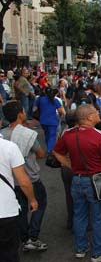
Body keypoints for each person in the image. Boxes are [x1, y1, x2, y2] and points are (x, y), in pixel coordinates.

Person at [53, 104, 101, 261]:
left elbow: (57, 152)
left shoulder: (68, 134)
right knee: (100, 216)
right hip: (97, 180)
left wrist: (71, 166)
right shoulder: (99, 136)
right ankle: (99, 251)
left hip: (77, 179)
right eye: (96, 112)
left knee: (79, 214)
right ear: (89, 117)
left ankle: (80, 248)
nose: (99, 114)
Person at [1, 101, 47, 252]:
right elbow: (40, 154)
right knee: (38, 204)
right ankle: (33, 237)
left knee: (20, 210)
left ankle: (24, 238)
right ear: (20, 114)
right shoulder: (27, 133)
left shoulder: (3, 134)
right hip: (30, 178)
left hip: (11, 181)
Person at [0, 128, 38, 262]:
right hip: (5, 211)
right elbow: (23, 181)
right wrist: (32, 199)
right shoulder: (9, 147)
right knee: (9, 253)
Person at [34, 87, 65, 155]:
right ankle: (50, 149)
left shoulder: (39, 99)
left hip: (42, 120)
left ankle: (49, 147)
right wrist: (60, 116)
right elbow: (60, 111)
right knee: (52, 136)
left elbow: (34, 109)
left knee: (47, 134)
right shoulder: (55, 100)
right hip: (53, 120)